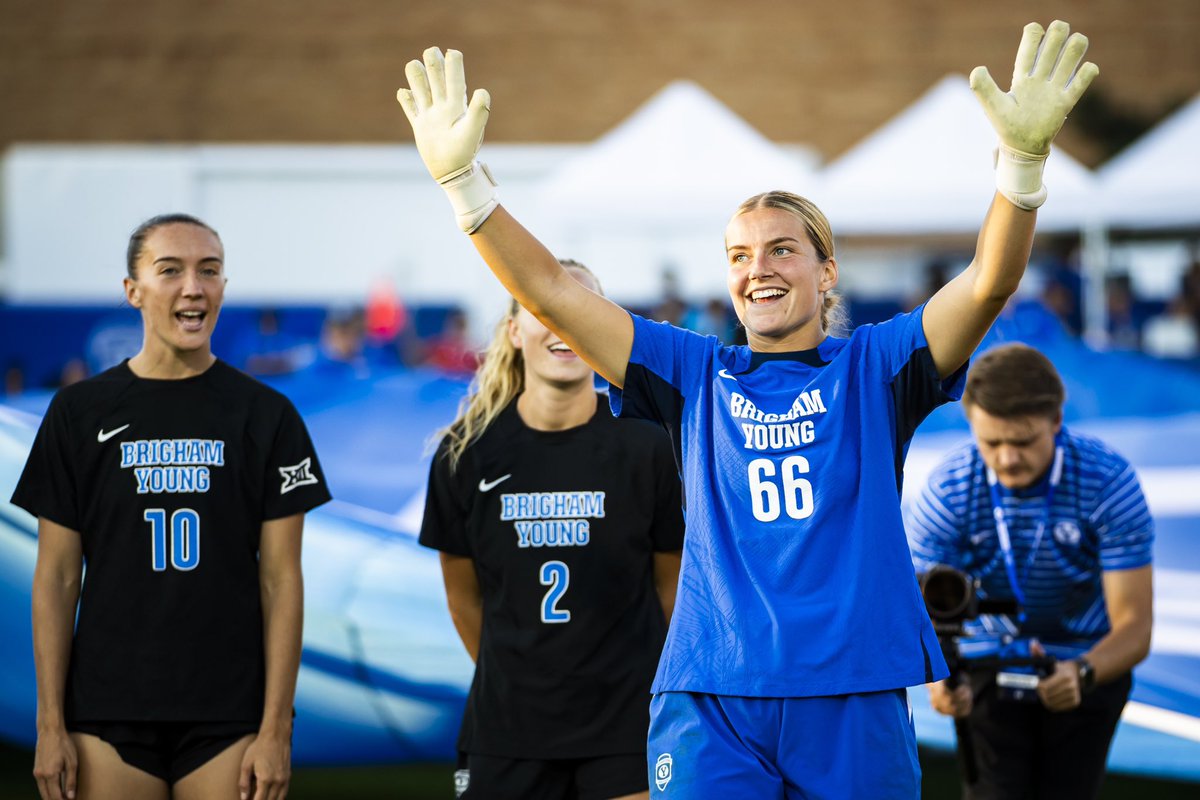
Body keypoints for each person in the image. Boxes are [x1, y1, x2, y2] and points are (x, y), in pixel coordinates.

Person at [396, 20, 1097, 798]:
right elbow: (554, 294)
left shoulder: (875, 366)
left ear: (827, 272)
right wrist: (465, 186)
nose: (756, 269)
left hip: (851, 689)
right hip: (713, 695)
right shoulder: (691, 369)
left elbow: (988, 283)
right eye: (737, 254)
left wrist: (1022, 166)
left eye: (781, 249)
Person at [14, 214, 331, 800]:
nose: (193, 286)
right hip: (107, 710)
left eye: (209, 271)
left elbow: (282, 581)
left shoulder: (267, 416)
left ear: (223, 289)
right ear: (132, 291)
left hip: (229, 712)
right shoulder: (78, 413)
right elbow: (57, 577)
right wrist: (50, 724)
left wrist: (276, 728)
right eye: (171, 270)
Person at [419, 260, 684, 800]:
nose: (562, 324)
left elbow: (672, 591)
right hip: (507, 729)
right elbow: (462, 599)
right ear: (515, 331)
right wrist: (527, 678)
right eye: (544, 309)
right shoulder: (463, 454)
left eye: (579, 309)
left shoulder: (649, 448)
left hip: (625, 728)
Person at [906, 344, 1154, 800]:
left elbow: (1135, 628)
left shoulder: (1108, 482)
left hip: (1085, 660)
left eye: (1022, 441)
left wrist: (1083, 671)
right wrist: (941, 682)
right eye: (991, 443)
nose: (1006, 458)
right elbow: (923, 610)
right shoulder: (949, 489)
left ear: (1057, 422)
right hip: (985, 660)